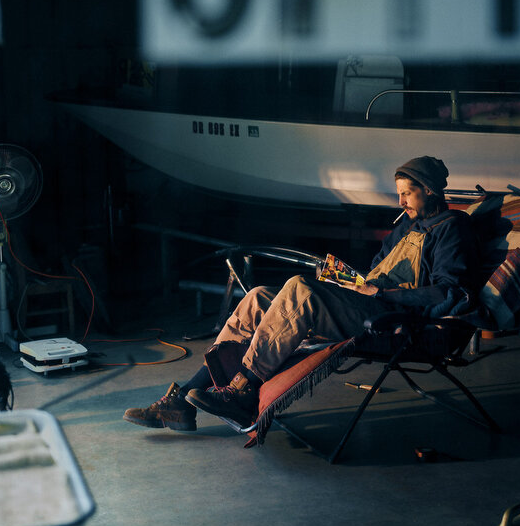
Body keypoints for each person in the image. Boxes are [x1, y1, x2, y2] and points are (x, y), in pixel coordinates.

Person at [123, 155, 479, 431]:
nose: (400, 201)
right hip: (367, 301)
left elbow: (451, 292)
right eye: (399, 193)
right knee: (258, 297)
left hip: (391, 317)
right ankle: (183, 402)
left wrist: (385, 295)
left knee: (299, 289)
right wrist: (349, 281)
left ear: (429, 190)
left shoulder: (451, 230)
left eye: (407, 193)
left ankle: (243, 391)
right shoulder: (406, 228)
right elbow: (376, 273)